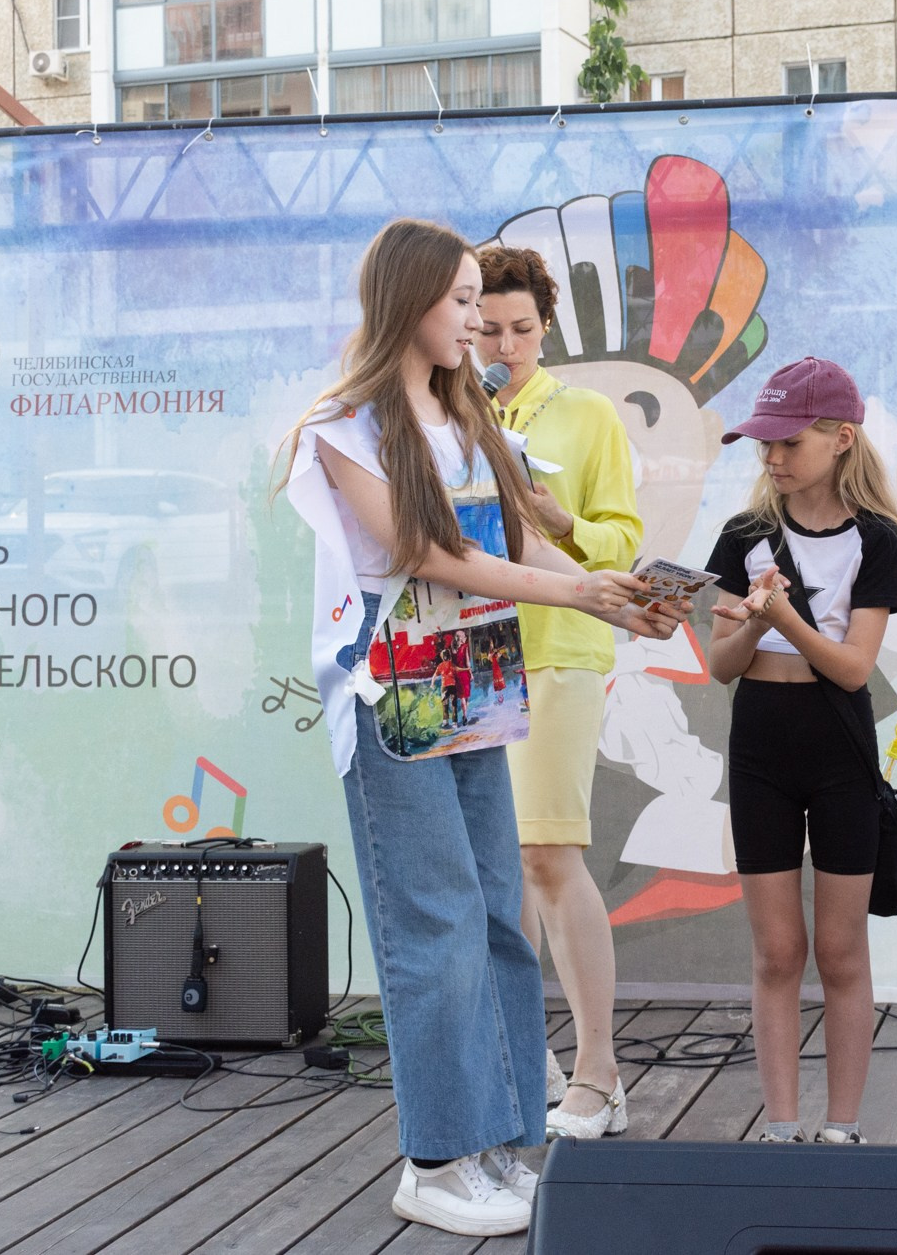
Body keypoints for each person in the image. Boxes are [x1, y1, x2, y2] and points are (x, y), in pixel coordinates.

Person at [279, 218, 683, 1237]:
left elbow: (533, 531)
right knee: (436, 926)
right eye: (460, 301)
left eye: (483, 304)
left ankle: (499, 1139)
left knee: (498, 913)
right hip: (392, 690)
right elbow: (427, 549)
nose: (478, 324)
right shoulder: (347, 422)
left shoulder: (468, 414)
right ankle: (437, 1156)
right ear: (407, 300)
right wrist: (584, 593)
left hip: (475, 682)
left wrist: (619, 591)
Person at [703, 356, 897, 1147]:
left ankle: (844, 1127)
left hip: (840, 747)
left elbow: (855, 668)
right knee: (778, 949)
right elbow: (722, 665)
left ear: (841, 439)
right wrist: (754, 621)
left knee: (839, 946)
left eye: (790, 442)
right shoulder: (745, 535)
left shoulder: (877, 539)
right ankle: (782, 1125)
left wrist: (784, 620)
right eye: (764, 444)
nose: (774, 459)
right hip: (760, 744)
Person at [477, 244, 646, 1142]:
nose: (506, 344)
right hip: (461, 651)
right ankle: (521, 1058)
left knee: (548, 855)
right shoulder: (443, 411)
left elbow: (621, 543)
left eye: (522, 328)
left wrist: (560, 519)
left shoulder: (585, 415)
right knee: (496, 872)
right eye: (489, 328)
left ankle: (600, 1071)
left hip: (556, 648)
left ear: (545, 324)